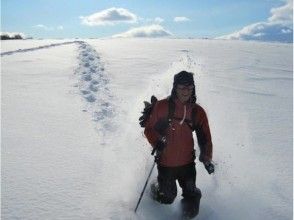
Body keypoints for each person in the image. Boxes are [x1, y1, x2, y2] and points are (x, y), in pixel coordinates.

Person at [144, 70, 214, 218]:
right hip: (166, 163)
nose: (186, 91)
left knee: (191, 202)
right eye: (182, 87)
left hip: (187, 164)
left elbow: (205, 137)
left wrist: (206, 158)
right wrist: (157, 142)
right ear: (175, 87)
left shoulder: (197, 111)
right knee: (167, 197)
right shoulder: (162, 106)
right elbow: (149, 129)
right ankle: (155, 189)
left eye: (189, 87)